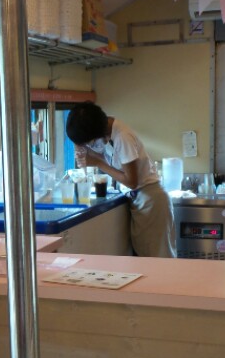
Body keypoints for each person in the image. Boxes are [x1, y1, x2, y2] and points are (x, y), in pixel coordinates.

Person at [66, 101, 176, 258]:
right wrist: (86, 153)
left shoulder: (122, 137)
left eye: (90, 142)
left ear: (96, 132)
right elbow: (115, 162)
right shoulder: (107, 131)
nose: (91, 145)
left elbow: (131, 181)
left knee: (156, 259)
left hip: (150, 200)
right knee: (145, 255)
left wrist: (97, 162)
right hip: (140, 199)